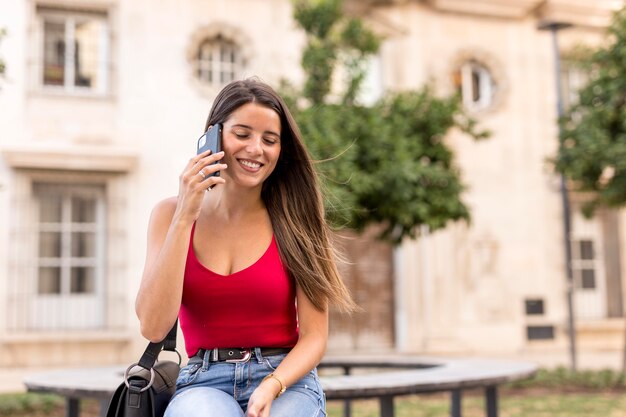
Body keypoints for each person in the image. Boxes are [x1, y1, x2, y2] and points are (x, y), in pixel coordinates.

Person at [135, 78, 356, 417]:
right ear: (213, 134)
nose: (256, 149)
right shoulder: (169, 215)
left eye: (270, 140)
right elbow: (153, 326)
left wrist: (272, 384)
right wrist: (184, 218)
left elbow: (314, 337)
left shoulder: (297, 219)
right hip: (203, 381)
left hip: (286, 379)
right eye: (242, 134)